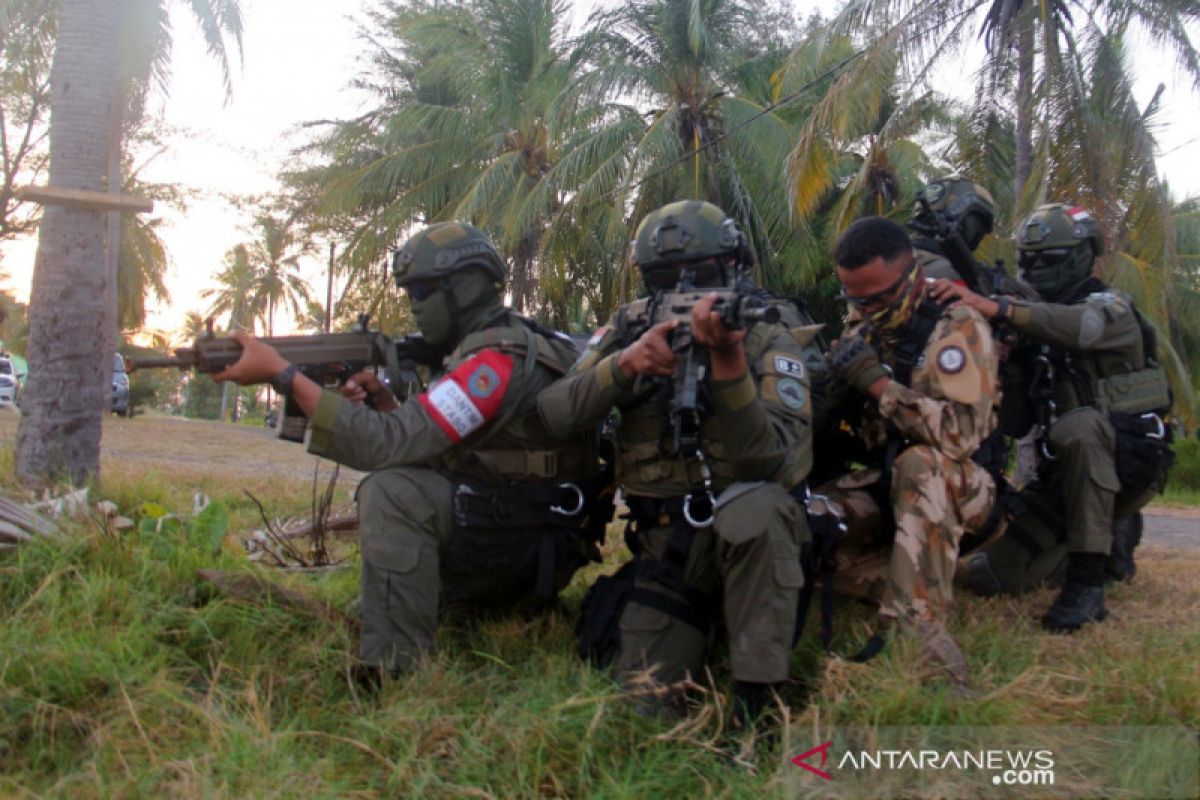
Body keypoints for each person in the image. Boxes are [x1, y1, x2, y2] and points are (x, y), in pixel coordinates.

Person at [212, 222, 607, 677]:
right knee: (403, 482)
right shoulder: (495, 347)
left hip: (526, 544)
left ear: (464, 288)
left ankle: (396, 667)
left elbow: (388, 445)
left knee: (393, 492)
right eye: (409, 293)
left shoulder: (494, 363)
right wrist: (385, 403)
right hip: (526, 531)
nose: (414, 306)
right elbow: (447, 442)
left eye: (423, 291)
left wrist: (284, 376)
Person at [538, 200, 818, 724]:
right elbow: (553, 414)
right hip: (667, 546)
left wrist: (729, 363)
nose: (684, 290)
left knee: (755, 510)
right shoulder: (629, 328)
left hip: (749, 536)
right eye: (664, 279)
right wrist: (623, 367)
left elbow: (773, 466)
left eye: (703, 274)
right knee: (642, 712)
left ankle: (759, 700)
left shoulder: (766, 336)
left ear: (733, 268)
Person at [931, 203, 1173, 631]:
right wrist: (1004, 364)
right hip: (1065, 478)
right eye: (1031, 260)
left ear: (1083, 255)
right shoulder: (1033, 331)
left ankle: (1087, 583)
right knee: (989, 576)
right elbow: (1019, 423)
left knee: (1080, 428)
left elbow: (1082, 329)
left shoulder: (1110, 307)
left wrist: (999, 308)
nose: (1038, 269)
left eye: (1051, 259)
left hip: (1130, 462)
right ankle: (1105, 542)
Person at [819, 216, 1000, 684]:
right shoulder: (862, 328)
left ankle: (916, 630)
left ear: (914, 273)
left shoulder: (957, 326)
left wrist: (877, 385)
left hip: (961, 487)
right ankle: (904, 577)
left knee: (921, 464)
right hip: (889, 483)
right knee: (807, 516)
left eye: (879, 298)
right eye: (855, 299)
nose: (868, 310)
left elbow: (959, 436)